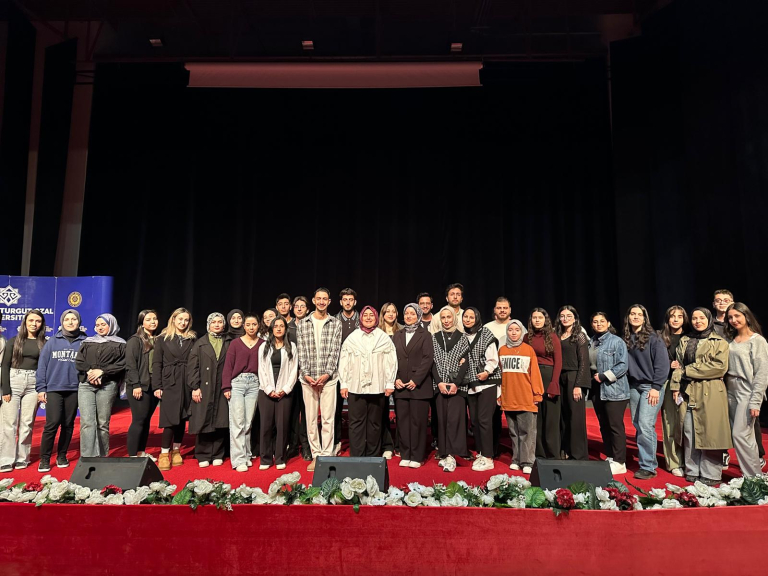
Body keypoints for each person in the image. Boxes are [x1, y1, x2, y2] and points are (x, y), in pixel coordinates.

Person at [671, 308, 731, 486]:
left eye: (702, 318)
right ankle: (692, 469)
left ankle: (711, 473)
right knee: (689, 431)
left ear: (709, 319)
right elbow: (678, 366)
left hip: (711, 391)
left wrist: (688, 370)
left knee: (710, 433)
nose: (698, 321)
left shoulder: (719, 342)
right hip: (687, 391)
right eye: (694, 318)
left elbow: (719, 367)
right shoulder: (685, 340)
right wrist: (675, 386)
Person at [339, 306, 396, 457]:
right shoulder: (352, 337)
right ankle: (357, 456)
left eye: (371, 315)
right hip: (355, 387)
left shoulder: (383, 337)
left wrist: (389, 383)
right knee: (356, 423)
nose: (368, 318)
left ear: (376, 318)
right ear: (361, 318)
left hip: (377, 387)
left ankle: (373, 456)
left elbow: (391, 362)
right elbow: (344, 362)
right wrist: (343, 384)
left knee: (375, 423)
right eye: (366, 315)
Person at [296, 287, 342, 471]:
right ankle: (316, 455)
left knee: (328, 418)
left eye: (325, 299)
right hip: (308, 380)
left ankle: (327, 454)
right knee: (311, 419)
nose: (321, 301)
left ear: (329, 302)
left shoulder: (335, 323)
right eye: (318, 298)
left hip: (328, 379)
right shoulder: (303, 323)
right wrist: (306, 374)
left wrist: (327, 373)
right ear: (314, 301)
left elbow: (335, 350)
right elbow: (301, 351)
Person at [623, 304, 669, 479]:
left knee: (645, 424)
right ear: (628, 317)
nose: (635, 317)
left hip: (651, 387)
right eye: (632, 314)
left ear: (644, 318)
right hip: (634, 386)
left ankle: (648, 466)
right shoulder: (626, 338)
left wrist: (656, 387)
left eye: (639, 314)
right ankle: (646, 459)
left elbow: (662, 365)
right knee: (638, 424)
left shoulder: (654, 338)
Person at [35, 310, 85, 472]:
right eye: (67, 319)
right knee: (52, 423)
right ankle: (45, 459)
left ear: (79, 322)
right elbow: (42, 366)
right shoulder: (52, 341)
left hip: (74, 389)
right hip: (54, 388)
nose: (70, 322)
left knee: (68, 424)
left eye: (74, 319)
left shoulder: (85, 342)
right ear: (62, 322)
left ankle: (62, 455)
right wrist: (41, 388)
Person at [725, 302, 768, 476]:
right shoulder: (730, 340)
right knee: (745, 437)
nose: (734, 320)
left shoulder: (757, 341)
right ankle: (753, 476)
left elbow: (762, 373)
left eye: (737, 316)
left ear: (746, 316)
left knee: (740, 434)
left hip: (746, 390)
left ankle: (752, 478)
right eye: (730, 317)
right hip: (730, 389)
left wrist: (756, 401)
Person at [75, 313, 126, 459]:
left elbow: (122, 364)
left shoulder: (121, 344)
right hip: (86, 385)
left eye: (103, 324)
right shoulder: (88, 342)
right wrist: (90, 372)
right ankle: (88, 457)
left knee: (102, 423)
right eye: (97, 325)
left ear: (112, 325)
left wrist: (102, 372)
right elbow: (79, 361)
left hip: (107, 385)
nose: (100, 327)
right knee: (87, 422)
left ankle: (102, 457)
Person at [0, 309, 46, 472]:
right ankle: (6, 459)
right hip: (14, 381)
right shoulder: (14, 341)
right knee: (9, 423)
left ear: (42, 324)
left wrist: (42, 388)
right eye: (31, 320)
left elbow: (44, 368)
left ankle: (22, 458)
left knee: (27, 423)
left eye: (38, 321)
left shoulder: (44, 343)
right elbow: (5, 365)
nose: (34, 324)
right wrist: (6, 389)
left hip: (33, 384)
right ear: (25, 322)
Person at [152, 307, 196, 471]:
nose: (183, 322)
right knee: (169, 419)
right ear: (173, 319)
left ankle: (176, 450)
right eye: (180, 319)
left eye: (186, 320)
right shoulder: (162, 339)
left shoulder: (192, 339)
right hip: (169, 381)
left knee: (182, 417)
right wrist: (157, 385)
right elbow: (157, 363)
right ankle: (164, 453)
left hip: (186, 381)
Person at [499, 319, 544, 474]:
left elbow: (535, 373)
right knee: (513, 432)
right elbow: (500, 375)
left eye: (517, 330)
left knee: (527, 432)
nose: (513, 333)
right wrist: (500, 395)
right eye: (510, 330)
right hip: (508, 398)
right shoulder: (502, 350)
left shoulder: (528, 350)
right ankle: (516, 459)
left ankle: (527, 462)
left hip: (526, 398)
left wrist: (537, 393)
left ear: (522, 332)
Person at [393, 303, 435, 468]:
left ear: (418, 316)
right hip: (401, 386)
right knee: (403, 422)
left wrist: (416, 380)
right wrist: (395, 378)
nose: (409, 316)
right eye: (406, 313)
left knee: (418, 422)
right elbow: (391, 360)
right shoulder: (397, 335)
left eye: (412, 313)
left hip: (419, 387)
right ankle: (405, 454)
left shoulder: (425, 335)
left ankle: (417, 456)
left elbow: (428, 359)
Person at [188, 313, 232, 468]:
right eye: (214, 322)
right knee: (203, 420)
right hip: (204, 388)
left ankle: (218, 453)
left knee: (221, 420)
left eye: (220, 322)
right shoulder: (200, 343)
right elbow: (192, 367)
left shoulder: (229, 342)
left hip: (221, 387)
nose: (217, 324)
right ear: (208, 325)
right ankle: (203, 454)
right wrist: (194, 387)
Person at [589, 312, 630, 475]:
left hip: (614, 390)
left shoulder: (617, 341)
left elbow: (623, 365)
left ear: (608, 323)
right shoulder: (591, 342)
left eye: (602, 321)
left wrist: (603, 376)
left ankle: (620, 461)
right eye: (595, 321)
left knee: (615, 426)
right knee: (604, 425)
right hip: (596, 389)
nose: (598, 324)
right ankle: (611, 456)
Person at [431, 306, 470, 472]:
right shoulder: (434, 337)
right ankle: (444, 453)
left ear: (454, 318)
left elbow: (465, 362)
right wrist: (439, 382)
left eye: (449, 317)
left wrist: (456, 383)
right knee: (442, 419)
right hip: (440, 385)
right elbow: (432, 362)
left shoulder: (463, 337)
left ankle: (454, 455)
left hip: (457, 386)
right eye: (443, 317)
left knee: (455, 420)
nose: (446, 320)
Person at [462, 307, 501, 472]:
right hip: (471, 384)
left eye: (471, 317)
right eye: (466, 316)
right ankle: (481, 452)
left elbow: (493, 359)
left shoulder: (485, 334)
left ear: (477, 318)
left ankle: (488, 456)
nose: (468, 319)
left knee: (484, 419)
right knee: (475, 421)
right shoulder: (462, 336)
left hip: (487, 382)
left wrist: (487, 372)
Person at [223, 314, 263, 472]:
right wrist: (226, 387)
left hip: (254, 384)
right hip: (237, 384)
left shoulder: (262, 343)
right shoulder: (235, 343)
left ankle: (246, 455)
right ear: (244, 326)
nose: (251, 327)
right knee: (238, 422)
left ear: (258, 325)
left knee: (248, 422)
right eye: (248, 324)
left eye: (254, 324)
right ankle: (238, 459)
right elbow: (228, 366)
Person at [257, 316, 298, 470]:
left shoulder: (291, 346)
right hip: (266, 391)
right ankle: (266, 459)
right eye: (276, 326)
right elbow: (261, 370)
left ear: (285, 329)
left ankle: (280, 458)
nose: (279, 329)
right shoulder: (263, 346)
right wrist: (268, 389)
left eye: (281, 326)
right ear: (271, 329)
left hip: (284, 392)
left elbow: (294, 370)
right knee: (266, 426)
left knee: (282, 426)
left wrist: (285, 389)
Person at [525, 308, 562, 460]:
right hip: (532, 377)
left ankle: (553, 454)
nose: (537, 320)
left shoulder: (552, 337)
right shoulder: (527, 337)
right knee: (536, 417)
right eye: (534, 317)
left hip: (548, 376)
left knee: (551, 418)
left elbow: (558, 362)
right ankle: (538, 453)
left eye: (540, 317)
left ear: (545, 320)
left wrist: (554, 383)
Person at [555, 305, 590, 461]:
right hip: (559, 377)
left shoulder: (579, 335)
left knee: (575, 417)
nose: (565, 319)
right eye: (562, 316)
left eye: (569, 316)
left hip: (573, 377)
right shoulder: (557, 334)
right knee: (562, 416)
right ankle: (565, 450)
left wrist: (578, 385)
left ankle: (578, 454)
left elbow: (584, 362)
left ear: (575, 318)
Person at [658, 305, 689, 477]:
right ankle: (674, 462)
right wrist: (667, 364)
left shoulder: (691, 336)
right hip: (668, 383)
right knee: (670, 422)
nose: (676, 319)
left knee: (687, 424)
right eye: (672, 316)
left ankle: (690, 460)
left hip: (688, 383)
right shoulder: (660, 337)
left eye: (679, 316)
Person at [125, 309, 159, 460]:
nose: (152, 322)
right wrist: (136, 385)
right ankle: (133, 455)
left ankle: (141, 452)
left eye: (154, 319)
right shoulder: (135, 340)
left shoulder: (158, 339)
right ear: (142, 322)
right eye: (148, 319)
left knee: (146, 420)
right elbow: (130, 365)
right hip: (139, 385)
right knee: (139, 420)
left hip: (153, 385)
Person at [334, 288, 360, 455]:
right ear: (341, 302)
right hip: (337, 371)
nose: (348, 302)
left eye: (351, 299)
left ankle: (357, 444)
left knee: (357, 411)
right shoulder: (334, 320)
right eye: (345, 299)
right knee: (336, 409)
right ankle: (337, 442)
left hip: (358, 372)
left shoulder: (362, 320)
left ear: (355, 302)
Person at [485, 296, 512, 457]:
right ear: (494, 310)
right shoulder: (487, 328)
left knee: (514, 415)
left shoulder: (517, 327)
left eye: (505, 308)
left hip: (513, 378)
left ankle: (517, 451)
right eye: (499, 307)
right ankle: (492, 450)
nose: (502, 310)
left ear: (510, 310)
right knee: (493, 416)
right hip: (493, 378)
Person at [288, 296, 311, 460]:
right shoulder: (287, 327)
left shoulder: (311, 325)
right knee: (293, 412)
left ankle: (306, 446)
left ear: (308, 309)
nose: (300, 309)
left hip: (307, 376)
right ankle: (293, 445)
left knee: (307, 413)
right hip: (290, 376)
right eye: (297, 306)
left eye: (303, 306)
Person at [378, 301, 401, 457]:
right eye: (388, 311)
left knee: (401, 413)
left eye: (393, 311)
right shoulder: (377, 332)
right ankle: (386, 446)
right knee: (382, 412)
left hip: (399, 377)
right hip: (381, 378)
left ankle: (399, 445)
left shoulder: (402, 331)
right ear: (383, 314)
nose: (391, 314)